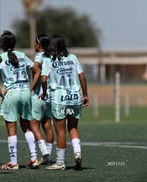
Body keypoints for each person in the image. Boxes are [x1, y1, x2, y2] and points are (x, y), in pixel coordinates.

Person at [0, 30, 41, 170]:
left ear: (2, 44)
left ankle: (13, 162)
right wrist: (30, 87)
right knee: (27, 127)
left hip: (11, 94)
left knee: (11, 130)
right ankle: (34, 158)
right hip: (25, 93)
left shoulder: (1, 57)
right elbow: (37, 71)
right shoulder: (22, 55)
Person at [40, 34, 89, 170]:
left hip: (59, 99)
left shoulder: (48, 60)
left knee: (61, 132)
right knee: (73, 127)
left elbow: (43, 79)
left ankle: (60, 162)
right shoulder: (73, 58)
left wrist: (44, 92)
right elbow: (82, 76)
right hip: (74, 97)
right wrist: (85, 94)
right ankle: (77, 154)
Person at [31, 34, 54, 165]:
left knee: (33, 124)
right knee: (47, 125)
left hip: (40, 94)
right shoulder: (52, 56)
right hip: (51, 96)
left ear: (39, 44)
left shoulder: (40, 56)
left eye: (35, 42)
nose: (34, 44)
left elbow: (36, 69)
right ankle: (49, 155)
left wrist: (31, 88)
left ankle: (45, 153)